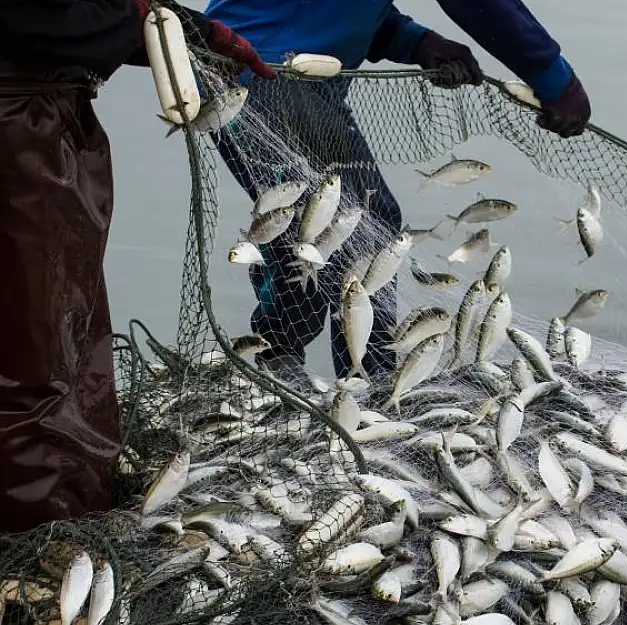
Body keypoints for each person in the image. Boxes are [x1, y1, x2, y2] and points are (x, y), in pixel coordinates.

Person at [205, 0, 592, 389]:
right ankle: (322, 369)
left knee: (352, 222)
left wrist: (414, 41)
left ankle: (342, 368)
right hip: (263, 73)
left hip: (285, 74)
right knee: (343, 224)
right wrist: (554, 78)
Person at [0, 0, 274, 536]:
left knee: (63, 325)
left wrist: (183, 29)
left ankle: (68, 502)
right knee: (32, 348)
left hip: (43, 115)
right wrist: (141, 19)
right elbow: (30, 18)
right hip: (17, 131)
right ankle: (37, 532)